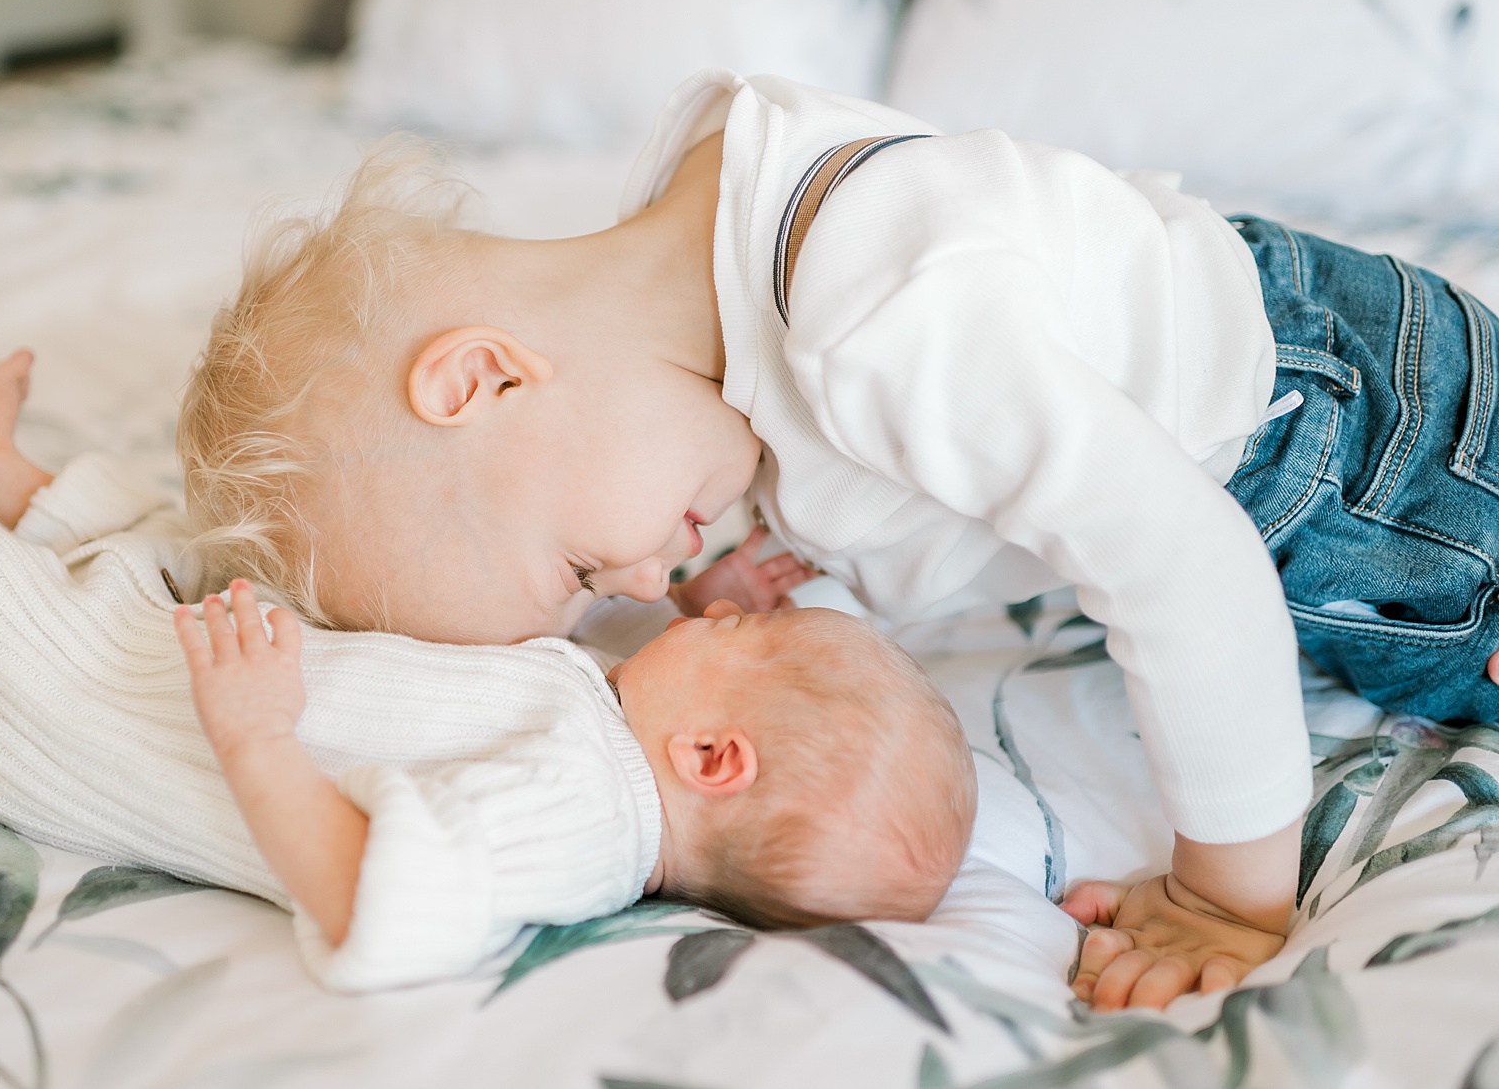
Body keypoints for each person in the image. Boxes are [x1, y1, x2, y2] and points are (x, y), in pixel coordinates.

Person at [176, 69, 1499, 1011]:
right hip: (1339, 349)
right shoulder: (720, 197)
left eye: (584, 569)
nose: (646, 585)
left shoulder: (882, 325)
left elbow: (1192, 568)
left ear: (484, 380)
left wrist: (1225, 893)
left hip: (1350, 472)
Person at [0, 334, 978, 992]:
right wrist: (715, 591)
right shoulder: (619, 733)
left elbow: (375, 902)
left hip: (122, 735)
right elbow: (622, 643)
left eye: (734, 641)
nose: (700, 625)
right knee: (165, 549)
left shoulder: (576, 826)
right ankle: (2, 478)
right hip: (220, 651)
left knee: (1, 612)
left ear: (714, 759)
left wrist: (256, 735)